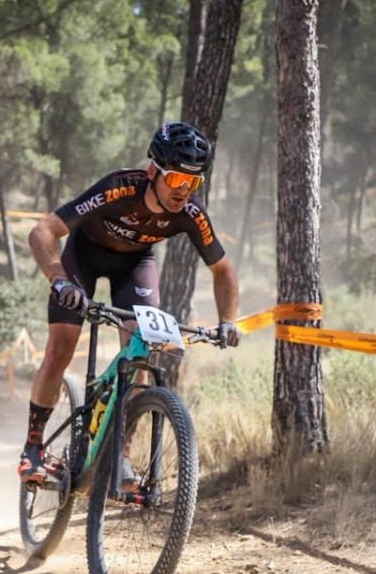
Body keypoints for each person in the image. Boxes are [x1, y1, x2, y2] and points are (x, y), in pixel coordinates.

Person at [18, 121, 241, 483]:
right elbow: (42, 232)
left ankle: (120, 450)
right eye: (177, 179)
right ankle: (32, 448)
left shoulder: (190, 214)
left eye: (194, 182)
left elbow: (223, 269)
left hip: (134, 264)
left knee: (142, 349)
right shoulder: (118, 189)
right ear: (154, 171)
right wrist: (59, 281)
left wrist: (228, 320)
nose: (184, 190)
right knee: (60, 348)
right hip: (83, 257)